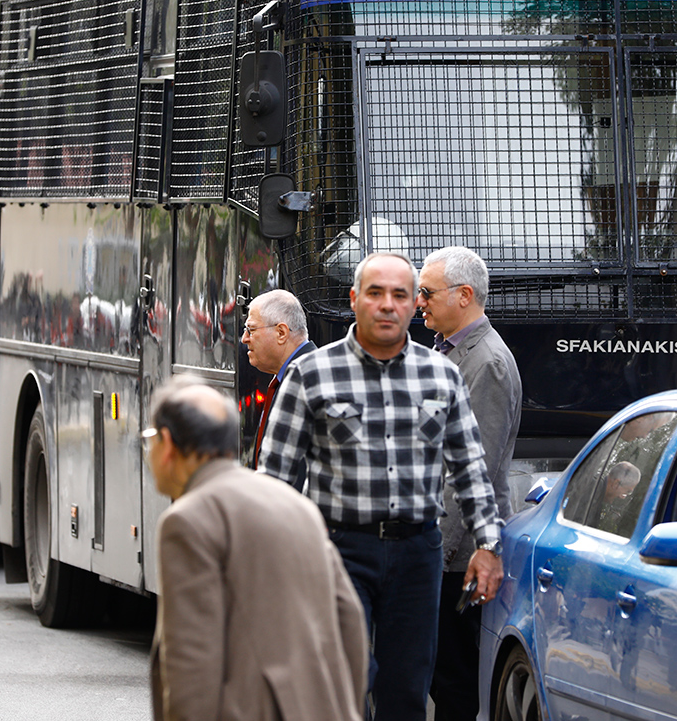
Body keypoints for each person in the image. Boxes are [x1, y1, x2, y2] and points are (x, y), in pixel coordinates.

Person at [258, 251, 503, 721]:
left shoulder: (442, 376)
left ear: (413, 304)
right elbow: (276, 481)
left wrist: (488, 544)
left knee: (406, 693)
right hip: (338, 550)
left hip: (418, 555)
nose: (387, 305)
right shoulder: (311, 377)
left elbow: (471, 468)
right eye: (375, 293)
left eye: (400, 295)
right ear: (354, 300)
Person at [145, 377, 367, 721]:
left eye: (149, 439)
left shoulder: (187, 521)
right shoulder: (297, 506)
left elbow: (192, 661)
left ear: (168, 444)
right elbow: (350, 622)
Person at [416, 246, 522, 721]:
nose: (419, 302)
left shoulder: (487, 365)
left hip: (456, 556)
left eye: (426, 292)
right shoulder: (452, 354)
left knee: (453, 681)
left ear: (463, 296)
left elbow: (471, 467)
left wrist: (433, 555)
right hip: (444, 549)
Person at [241, 290, 315, 470]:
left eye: (251, 330)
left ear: (281, 332)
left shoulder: (311, 380)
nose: (244, 339)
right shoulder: (295, 376)